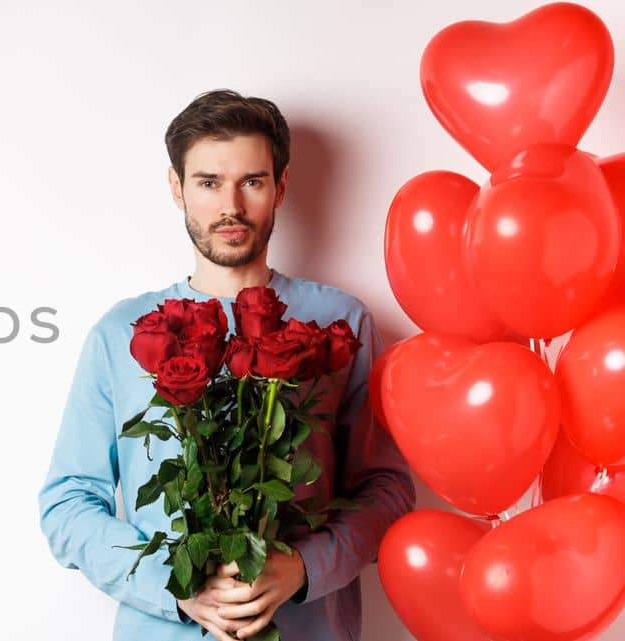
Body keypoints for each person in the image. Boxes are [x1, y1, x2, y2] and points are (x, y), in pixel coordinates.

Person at [36, 89, 416, 641]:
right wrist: (174, 583)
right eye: (209, 182)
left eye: (252, 182)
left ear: (281, 186)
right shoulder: (123, 334)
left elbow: (386, 487)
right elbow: (67, 502)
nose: (230, 207)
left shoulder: (341, 324)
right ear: (177, 188)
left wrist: (305, 567)